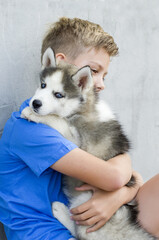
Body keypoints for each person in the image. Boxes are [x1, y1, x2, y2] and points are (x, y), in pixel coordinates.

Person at [0, 17, 158, 240]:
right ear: (58, 64)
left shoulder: (67, 121)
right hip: (48, 234)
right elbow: (115, 176)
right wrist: (122, 188)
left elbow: (128, 175)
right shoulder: (30, 127)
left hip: (85, 222)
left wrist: (120, 194)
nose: (100, 84)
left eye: (104, 76)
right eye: (93, 71)